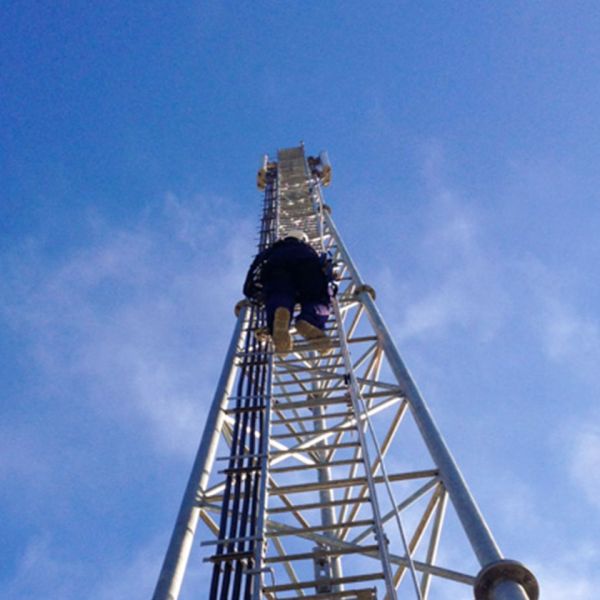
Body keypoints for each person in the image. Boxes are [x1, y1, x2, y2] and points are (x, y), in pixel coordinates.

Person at [243, 230, 333, 354]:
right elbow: (324, 266)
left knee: (279, 294)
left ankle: (280, 311)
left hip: (276, 265)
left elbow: (256, 264)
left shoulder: (275, 248)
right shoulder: (308, 249)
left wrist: (249, 288)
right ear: (303, 240)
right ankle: (310, 320)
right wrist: (329, 276)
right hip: (308, 264)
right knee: (317, 296)